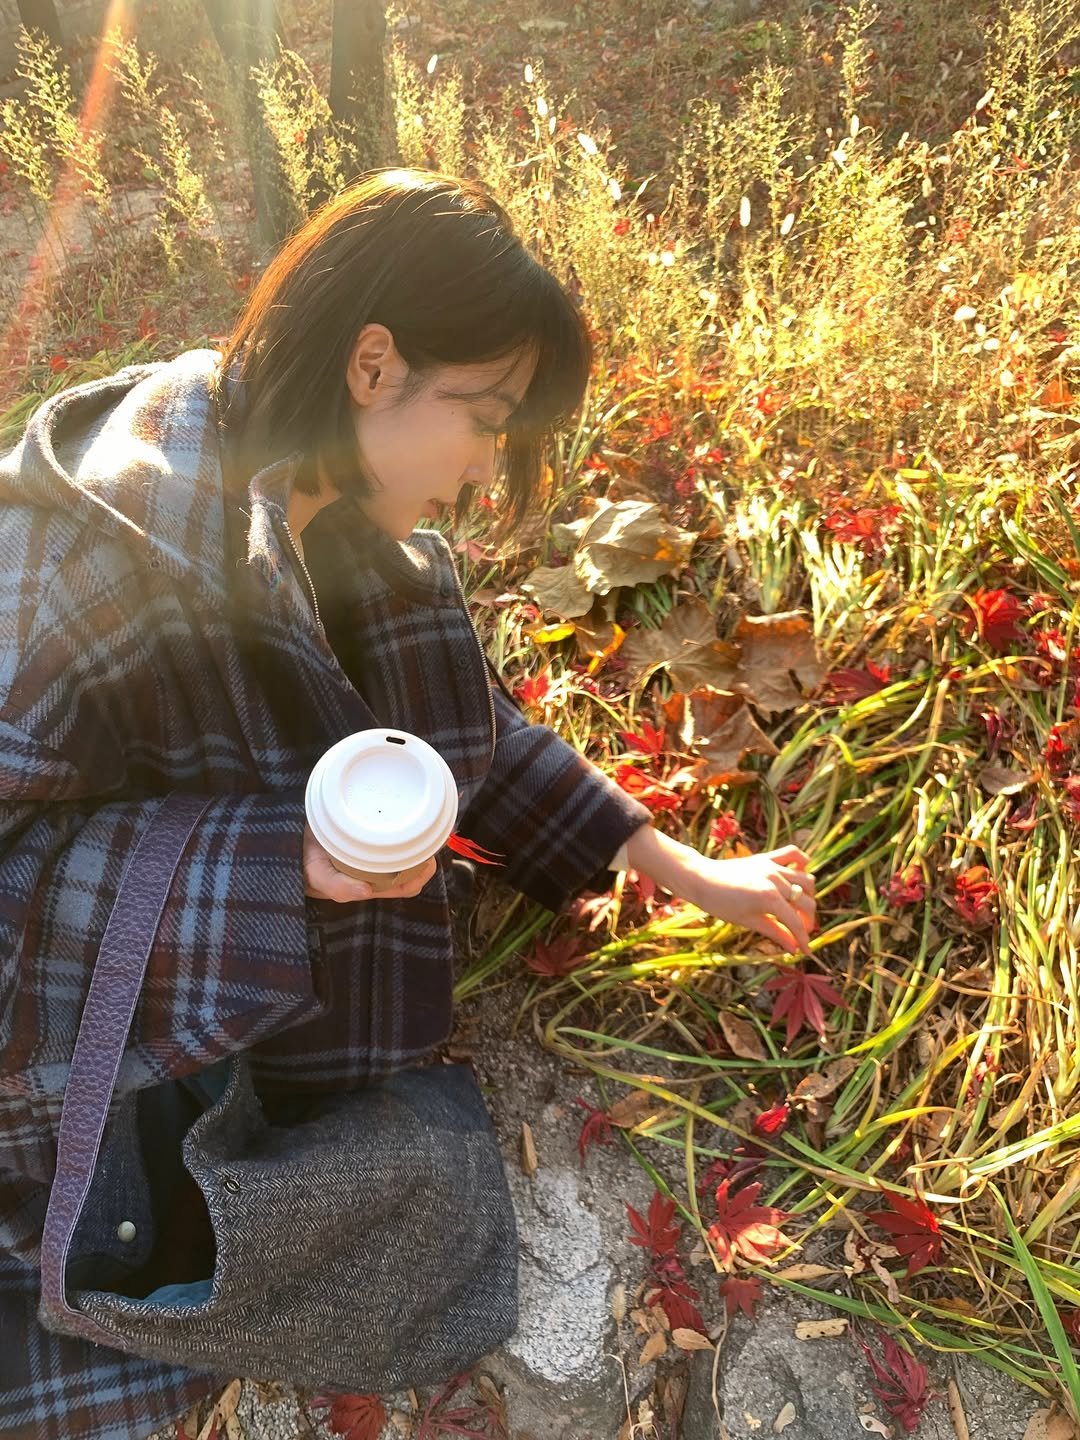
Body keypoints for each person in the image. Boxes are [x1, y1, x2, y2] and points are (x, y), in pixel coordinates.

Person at [0, 168, 816, 1440]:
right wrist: (279, 865)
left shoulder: (354, 531)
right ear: (373, 365)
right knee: (347, 1236)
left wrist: (687, 870)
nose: (489, 467)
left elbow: (471, 738)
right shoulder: (93, 563)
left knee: (421, 1200)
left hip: (264, 1007)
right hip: (126, 1061)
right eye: (485, 417)